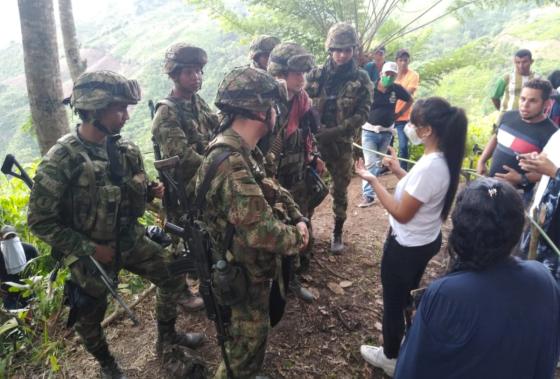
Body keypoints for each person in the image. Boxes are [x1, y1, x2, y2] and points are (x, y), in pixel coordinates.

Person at [28, 71, 204, 378]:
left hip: (129, 238)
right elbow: (39, 222)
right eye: (118, 108)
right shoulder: (61, 159)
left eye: (127, 108)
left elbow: (132, 189)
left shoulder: (125, 149)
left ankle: (167, 341)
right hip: (90, 253)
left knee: (172, 275)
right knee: (88, 319)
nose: (125, 115)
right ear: (94, 109)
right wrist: (89, 248)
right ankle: (108, 364)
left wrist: (151, 191)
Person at [195, 65, 309, 379]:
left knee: (253, 341)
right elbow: (261, 232)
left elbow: (268, 185)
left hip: (249, 267)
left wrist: (295, 213)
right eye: (272, 106)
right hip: (241, 273)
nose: (276, 113)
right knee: (243, 349)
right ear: (258, 111)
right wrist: (299, 236)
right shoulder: (230, 163)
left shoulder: (241, 149)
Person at [394, 178, 560, 379]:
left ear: (460, 229)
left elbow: (410, 370)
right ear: (518, 228)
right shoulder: (543, 279)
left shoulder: (446, 294)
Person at [356, 97, 468, 377]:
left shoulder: (432, 166)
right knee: (407, 294)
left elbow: (401, 212)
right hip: (425, 241)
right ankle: (407, 338)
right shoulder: (441, 160)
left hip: (405, 246)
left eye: (415, 124)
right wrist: (398, 171)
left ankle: (391, 356)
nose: (410, 129)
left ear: (428, 130)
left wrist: (372, 181)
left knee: (393, 302)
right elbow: (420, 194)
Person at [151, 43, 218, 311]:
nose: (196, 77)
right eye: (189, 72)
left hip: (205, 181)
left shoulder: (196, 102)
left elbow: (216, 126)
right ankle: (180, 293)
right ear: (175, 75)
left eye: (199, 71)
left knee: (206, 237)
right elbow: (184, 157)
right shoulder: (166, 112)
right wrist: (218, 169)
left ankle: (206, 281)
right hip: (184, 189)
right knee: (180, 244)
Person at [306, 22, 373, 254]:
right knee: (307, 186)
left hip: (341, 144)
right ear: (330, 50)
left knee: (340, 189)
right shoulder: (315, 75)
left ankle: (337, 231)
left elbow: (362, 114)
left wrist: (334, 132)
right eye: (337, 49)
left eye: (346, 49)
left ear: (354, 50)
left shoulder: (362, 78)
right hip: (313, 143)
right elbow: (303, 105)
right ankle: (306, 229)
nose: (342, 55)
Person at [267, 42, 325, 302]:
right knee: (276, 232)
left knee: (300, 225)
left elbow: (307, 135)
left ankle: (292, 280)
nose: (302, 78)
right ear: (280, 73)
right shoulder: (265, 102)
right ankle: (274, 286)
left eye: (304, 72)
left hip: (298, 175)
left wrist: (314, 158)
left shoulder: (302, 101)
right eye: (296, 72)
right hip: (272, 180)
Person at [477, 79, 557, 204]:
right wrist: (482, 160)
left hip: (517, 194)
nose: (525, 105)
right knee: (482, 217)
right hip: (491, 185)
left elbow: (552, 170)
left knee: (506, 222)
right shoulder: (507, 117)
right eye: (523, 99)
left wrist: (521, 178)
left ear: (547, 104)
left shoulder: (552, 134)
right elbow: (496, 137)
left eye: (533, 101)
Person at [359, 61, 413, 208]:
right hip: (369, 131)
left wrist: (400, 113)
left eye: (393, 75)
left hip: (386, 132)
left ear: (395, 77)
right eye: (387, 73)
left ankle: (371, 190)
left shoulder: (396, 89)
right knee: (370, 163)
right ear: (381, 73)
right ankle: (368, 195)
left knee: (377, 163)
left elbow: (410, 99)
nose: (389, 77)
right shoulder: (370, 87)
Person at [519, 129, 560, 282]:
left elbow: (553, 169)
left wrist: (556, 172)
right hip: (542, 218)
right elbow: (545, 157)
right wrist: (535, 161)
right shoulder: (558, 135)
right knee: (531, 269)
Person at [0, 225, 38, 309]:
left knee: (31, 317)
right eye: (7, 238)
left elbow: (38, 268)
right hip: (9, 294)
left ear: (17, 236)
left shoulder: (30, 249)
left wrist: (36, 282)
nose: (10, 239)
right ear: (1, 239)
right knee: (13, 320)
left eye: (12, 236)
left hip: (28, 290)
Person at [491, 49, 539, 114]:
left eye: (524, 62)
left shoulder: (538, 79)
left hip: (530, 118)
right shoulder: (506, 78)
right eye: (518, 62)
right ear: (514, 62)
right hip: (508, 118)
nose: (521, 66)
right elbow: (495, 97)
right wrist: (503, 110)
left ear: (531, 62)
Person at [394, 49, 420, 170]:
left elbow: (408, 93)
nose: (403, 63)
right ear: (396, 61)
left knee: (403, 145)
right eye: (401, 60)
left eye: (405, 60)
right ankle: (387, 167)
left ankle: (403, 170)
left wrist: (394, 91)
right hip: (388, 115)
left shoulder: (413, 75)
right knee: (385, 145)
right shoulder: (391, 74)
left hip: (404, 116)